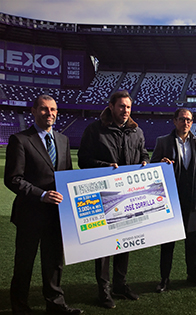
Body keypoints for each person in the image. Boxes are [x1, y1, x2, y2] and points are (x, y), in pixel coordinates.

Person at [4, 95, 83, 315]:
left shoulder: (63, 140)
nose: (50, 113)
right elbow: (13, 178)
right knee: (24, 263)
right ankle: (19, 307)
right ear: (34, 111)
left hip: (56, 215)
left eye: (53, 109)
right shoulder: (20, 140)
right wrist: (41, 194)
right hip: (30, 214)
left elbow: (66, 174)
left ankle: (55, 304)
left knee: (54, 262)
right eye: (44, 109)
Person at [77, 90, 150, 309]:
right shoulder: (94, 130)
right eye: (121, 106)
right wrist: (105, 168)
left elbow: (143, 153)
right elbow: (82, 160)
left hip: (128, 196)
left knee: (124, 242)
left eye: (128, 107)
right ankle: (104, 290)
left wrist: (145, 162)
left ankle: (120, 284)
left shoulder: (137, 131)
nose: (125, 111)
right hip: (102, 196)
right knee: (103, 246)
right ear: (111, 106)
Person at [150, 108, 196, 293]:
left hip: (193, 197)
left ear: (192, 122)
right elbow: (153, 166)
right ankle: (164, 279)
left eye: (189, 120)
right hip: (170, 199)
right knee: (168, 241)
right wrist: (161, 163)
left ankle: (192, 274)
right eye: (182, 119)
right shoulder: (163, 141)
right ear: (175, 121)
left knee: (192, 240)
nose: (186, 122)